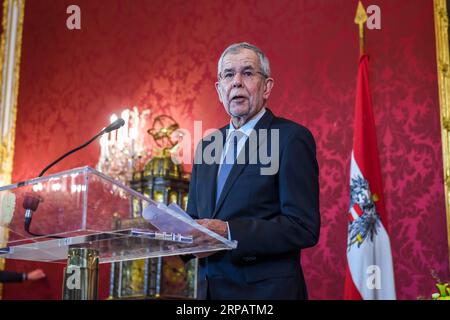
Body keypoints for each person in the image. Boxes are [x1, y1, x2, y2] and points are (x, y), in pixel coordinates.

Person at [187, 42, 320, 299]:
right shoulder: (206, 145)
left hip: (265, 294)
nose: (236, 82)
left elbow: (303, 226)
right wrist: (165, 235)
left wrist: (229, 232)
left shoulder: (290, 138)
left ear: (267, 87)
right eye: (228, 75)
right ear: (219, 89)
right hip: (209, 293)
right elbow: (195, 219)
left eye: (247, 73)